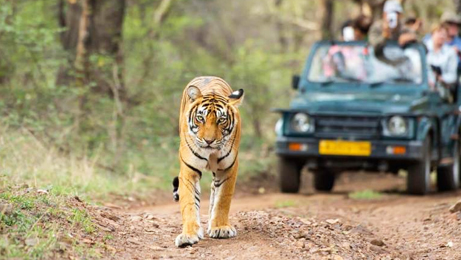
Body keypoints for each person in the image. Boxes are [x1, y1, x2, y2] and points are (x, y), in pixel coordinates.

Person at [425, 24, 458, 101]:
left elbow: (452, 76)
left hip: (441, 90)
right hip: (423, 87)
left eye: (444, 34)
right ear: (432, 34)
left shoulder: (450, 52)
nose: (441, 36)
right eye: (439, 33)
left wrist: (441, 78)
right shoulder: (424, 48)